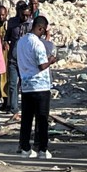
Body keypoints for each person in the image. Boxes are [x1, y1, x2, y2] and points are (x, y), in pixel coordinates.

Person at [16, 16, 56, 159]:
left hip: (27, 86)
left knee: (26, 119)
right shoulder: (37, 43)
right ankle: (43, 149)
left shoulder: (21, 41)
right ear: (41, 28)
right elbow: (41, 65)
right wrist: (51, 60)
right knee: (42, 119)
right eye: (44, 31)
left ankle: (25, 148)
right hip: (40, 87)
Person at [4, 1, 30, 117]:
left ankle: (26, 107)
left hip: (26, 60)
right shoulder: (12, 23)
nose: (25, 17)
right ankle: (14, 109)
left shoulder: (31, 25)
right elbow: (7, 36)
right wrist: (6, 42)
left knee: (25, 85)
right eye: (23, 15)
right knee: (13, 84)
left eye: (27, 15)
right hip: (13, 58)